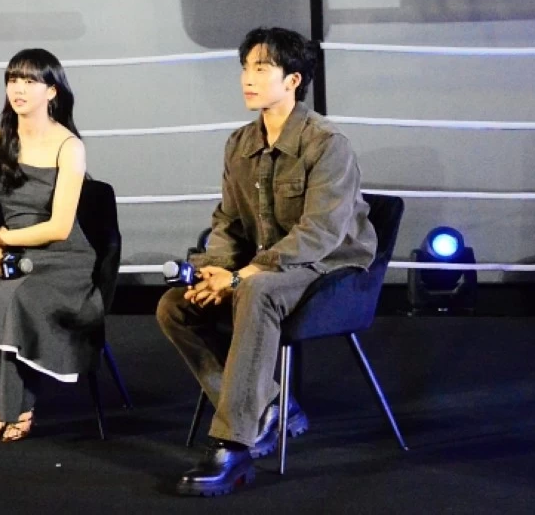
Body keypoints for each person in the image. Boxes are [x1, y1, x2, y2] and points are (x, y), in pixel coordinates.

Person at [156, 27, 377, 496]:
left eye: (261, 68)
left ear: (293, 79)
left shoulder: (326, 143)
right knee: (176, 304)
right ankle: (273, 408)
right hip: (267, 266)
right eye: (244, 68)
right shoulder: (239, 144)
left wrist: (240, 276)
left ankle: (232, 446)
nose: (247, 79)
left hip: (331, 268)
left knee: (255, 292)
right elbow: (229, 222)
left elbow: (320, 233)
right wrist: (215, 268)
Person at [0, 48, 102, 442]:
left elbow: (60, 227)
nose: (19, 88)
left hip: (61, 260)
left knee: (17, 299)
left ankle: (20, 405)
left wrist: (3, 240)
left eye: (30, 81)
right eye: (14, 79)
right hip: (9, 253)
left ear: (51, 91)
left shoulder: (70, 146)